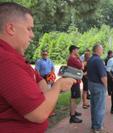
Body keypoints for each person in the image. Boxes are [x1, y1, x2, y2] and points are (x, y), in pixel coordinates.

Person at [0, 2, 75, 133]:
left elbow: (38, 79)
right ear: (10, 28)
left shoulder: (14, 57)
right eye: (29, 28)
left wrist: (46, 98)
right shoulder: (6, 60)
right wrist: (58, 86)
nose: (32, 35)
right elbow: (39, 113)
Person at [87, 44, 107, 133]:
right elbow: (103, 76)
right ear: (98, 50)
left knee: (94, 106)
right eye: (102, 49)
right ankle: (98, 128)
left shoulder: (90, 59)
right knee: (100, 107)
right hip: (98, 86)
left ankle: (94, 125)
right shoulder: (98, 60)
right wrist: (106, 86)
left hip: (91, 84)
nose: (102, 51)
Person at [67, 45, 83, 123]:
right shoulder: (72, 58)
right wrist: (79, 57)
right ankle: (72, 116)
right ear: (73, 50)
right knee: (74, 98)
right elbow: (81, 66)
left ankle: (73, 111)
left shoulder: (72, 58)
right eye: (77, 49)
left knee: (75, 97)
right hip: (74, 80)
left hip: (75, 80)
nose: (77, 51)